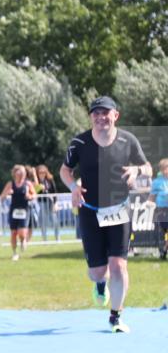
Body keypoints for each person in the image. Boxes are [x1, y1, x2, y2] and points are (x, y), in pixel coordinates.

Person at [59, 96, 151, 333]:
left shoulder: (128, 140)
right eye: (96, 113)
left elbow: (148, 168)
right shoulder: (79, 142)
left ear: (115, 115)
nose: (100, 117)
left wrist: (137, 170)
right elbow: (65, 170)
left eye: (105, 113)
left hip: (119, 210)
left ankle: (115, 317)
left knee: (118, 265)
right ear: (91, 117)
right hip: (90, 212)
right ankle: (100, 283)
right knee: (98, 272)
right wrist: (73, 187)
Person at [0, 165, 36, 261]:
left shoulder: (28, 184)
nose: (22, 174)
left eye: (23, 172)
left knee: (22, 233)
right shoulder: (10, 184)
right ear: (15, 173)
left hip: (24, 210)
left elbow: (34, 195)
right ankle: (14, 253)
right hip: (14, 211)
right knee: (13, 233)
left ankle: (23, 240)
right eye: (20, 172)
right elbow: (2, 197)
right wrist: (7, 193)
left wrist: (30, 196)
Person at [151, 159, 168, 260]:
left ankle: (165, 249)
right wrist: (149, 204)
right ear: (161, 170)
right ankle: (163, 251)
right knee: (162, 232)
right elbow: (152, 196)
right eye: (165, 168)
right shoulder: (156, 182)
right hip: (161, 210)